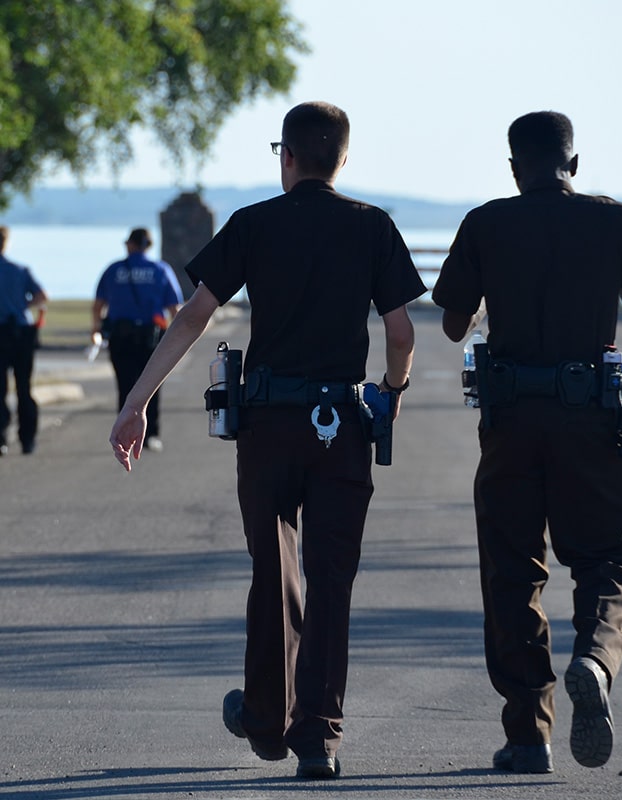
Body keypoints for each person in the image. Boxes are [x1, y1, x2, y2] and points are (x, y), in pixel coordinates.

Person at [108, 101, 426, 779]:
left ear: (286, 156)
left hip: (269, 424)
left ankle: (265, 719)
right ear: (342, 158)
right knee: (331, 580)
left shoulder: (253, 224)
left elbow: (195, 315)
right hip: (341, 423)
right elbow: (401, 333)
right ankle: (318, 738)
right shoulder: (373, 227)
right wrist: (390, 395)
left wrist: (136, 402)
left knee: (272, 573)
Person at [432, 111, 622, 775]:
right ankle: (595, 659)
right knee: (602, 559)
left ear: (514, 167)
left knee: (512, 572)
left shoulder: (486, 221)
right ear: (575, 160)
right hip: (590, 422)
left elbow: (454, 324)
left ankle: (528, 737)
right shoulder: (613, 218)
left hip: (510, 423)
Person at [92, 227, 183, 453]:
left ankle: (122, 433)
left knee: (124, 386)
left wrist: (96, 329)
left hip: (120, 337)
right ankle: (151, 434)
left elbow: (98, 306)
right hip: (151, 338)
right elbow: (175, 309)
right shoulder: (160, 270)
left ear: (131, 244)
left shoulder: (114, 270)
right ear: (148, 246)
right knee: (151, 386)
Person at [0, 225, 49, 456]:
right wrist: (22, 305)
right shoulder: (19, 270)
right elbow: (42, 296)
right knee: (23, 387)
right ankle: (27, 439)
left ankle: (1, 438)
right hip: (20, 332)